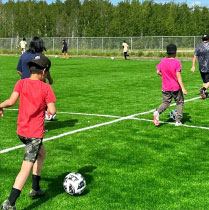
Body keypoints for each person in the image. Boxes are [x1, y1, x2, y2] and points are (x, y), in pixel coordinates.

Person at [0, 54, 56, 210]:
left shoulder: (21, 83)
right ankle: (10, 202)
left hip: (21, 132)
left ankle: (36, 189)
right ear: (44, 71)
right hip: (34, 135)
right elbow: (52, 111)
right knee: (26, 167)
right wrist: (46, 106)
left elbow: (11, 102)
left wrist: (0, 105)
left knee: (42, 153)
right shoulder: (46, 88)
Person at [153, 44, 187, 127]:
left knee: (166, 102)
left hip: (165, 87)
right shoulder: (177, 62)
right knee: (179, 102)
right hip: (175, 87)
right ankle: (178, 121)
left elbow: (157, 71)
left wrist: (163, 75)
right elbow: (178, 76)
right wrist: (183, 88)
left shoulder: (163, 61)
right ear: (175, 52)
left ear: (167, 53)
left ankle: (157, 112)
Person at [191, 34, 209, 99]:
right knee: (208, 82)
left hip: (201, 67)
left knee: (205, 81)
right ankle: (203, 89)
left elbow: (195, 56)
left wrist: (193, 66)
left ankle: (204, 94)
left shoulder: (198, 46)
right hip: (208, 66)